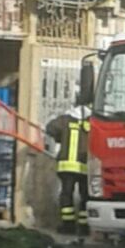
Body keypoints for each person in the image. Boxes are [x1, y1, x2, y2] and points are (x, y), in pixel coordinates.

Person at [45, 102, 91, 239]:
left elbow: (50, 128)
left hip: (67, 167)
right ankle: (84, 226)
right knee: (86, 196)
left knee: (66, 195)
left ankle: (68, 225)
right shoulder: (92, 123)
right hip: (85, 167)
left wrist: (60, 138)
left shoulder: (64, 120)